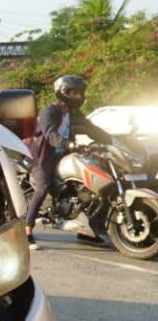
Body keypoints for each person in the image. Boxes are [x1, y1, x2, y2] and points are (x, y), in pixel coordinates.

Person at [24, 74, 114, 249]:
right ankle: (28, 231)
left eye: (80, 93)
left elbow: (91, 129)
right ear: (63, 92)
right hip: (43, 157)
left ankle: (86, 232)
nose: (78, 97)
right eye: (74, 93)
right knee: (43, 187)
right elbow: (51, 135)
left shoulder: (74, 114)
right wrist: (70, 144)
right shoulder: (50, 111)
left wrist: (112, 140)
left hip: (64, 155)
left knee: (90, 186)